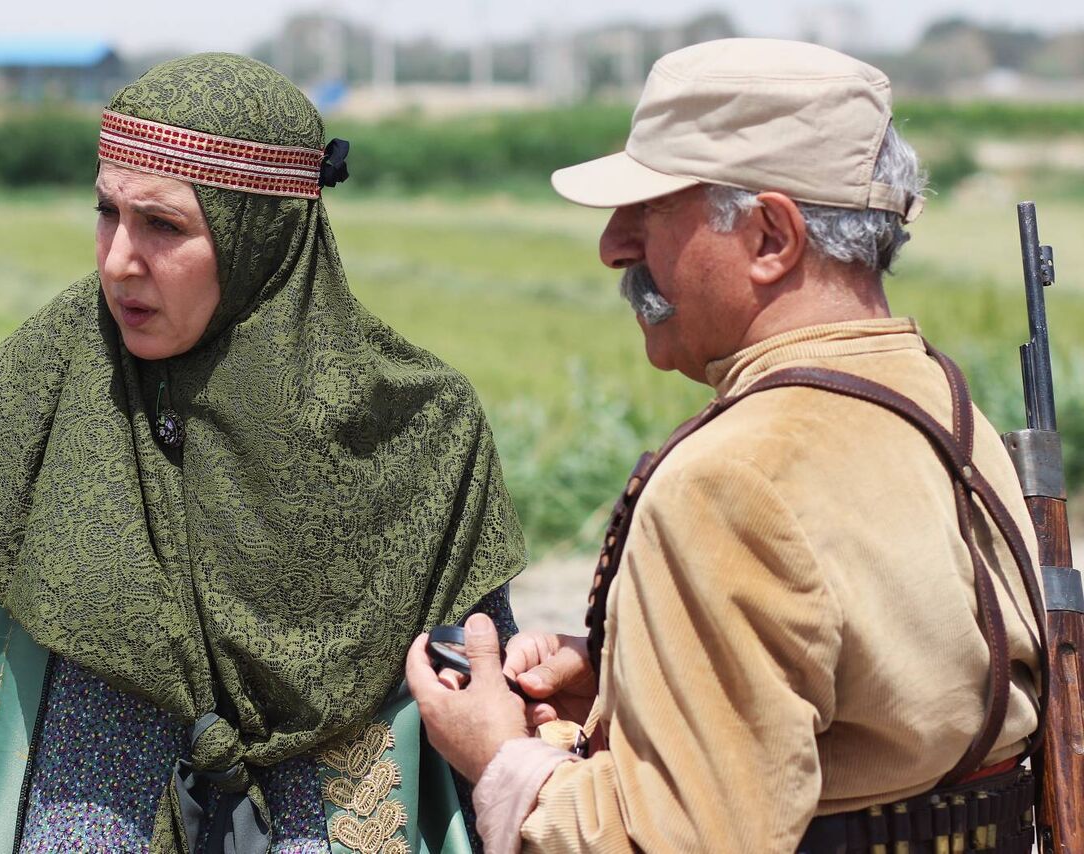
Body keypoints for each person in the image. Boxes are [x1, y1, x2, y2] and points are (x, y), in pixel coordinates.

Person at [0, 53, 525, 853]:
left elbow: (486, 711)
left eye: (163, 225)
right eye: (107, 212)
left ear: (261, 237)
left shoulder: (417, 435)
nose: (118, 259)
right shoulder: (31, 402)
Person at [406, 38, 1046, 853]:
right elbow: (888, 721)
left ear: (772, 237)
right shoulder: (944, 405)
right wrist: (633, 680)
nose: (614, 245)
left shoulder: (729, 482)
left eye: (651, 211)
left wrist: (501, 755)